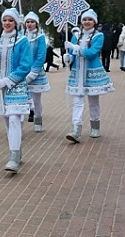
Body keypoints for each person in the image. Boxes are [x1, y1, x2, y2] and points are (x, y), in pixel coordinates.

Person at [0, 8, 32, 172]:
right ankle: (16, 151)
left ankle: (13, 157)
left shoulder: (22, 41)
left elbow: (25, 66)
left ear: (16, 23)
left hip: (15, 86)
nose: (7, 23)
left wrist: (9, 80)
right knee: (6, 120)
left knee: (14, 119)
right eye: (5, 20)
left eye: (10, 20)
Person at [63, 9, 115, 143]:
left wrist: (75, 49)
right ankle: (76, 130)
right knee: (77, 101)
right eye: (85, 19)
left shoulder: (99, 36)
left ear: (94, 22)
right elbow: (72, 54)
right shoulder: (76, 35)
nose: (87, 22)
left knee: (93, 101)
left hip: (92, 73)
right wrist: (68, 58)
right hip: (78, 73)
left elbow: (92, 53)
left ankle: (95, 126)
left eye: (90, 20)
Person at [23, 12, 51, 132]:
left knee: (36, 98)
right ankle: (26, 115)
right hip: (23, 71)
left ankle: (38, 119)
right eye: (27, 22)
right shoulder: (21, 36)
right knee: (24, 96)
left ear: (36, 24)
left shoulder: (40, 37)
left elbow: (41, 56)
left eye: (32, 22)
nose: (29, 24)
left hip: (36, 72)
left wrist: (34, 71)